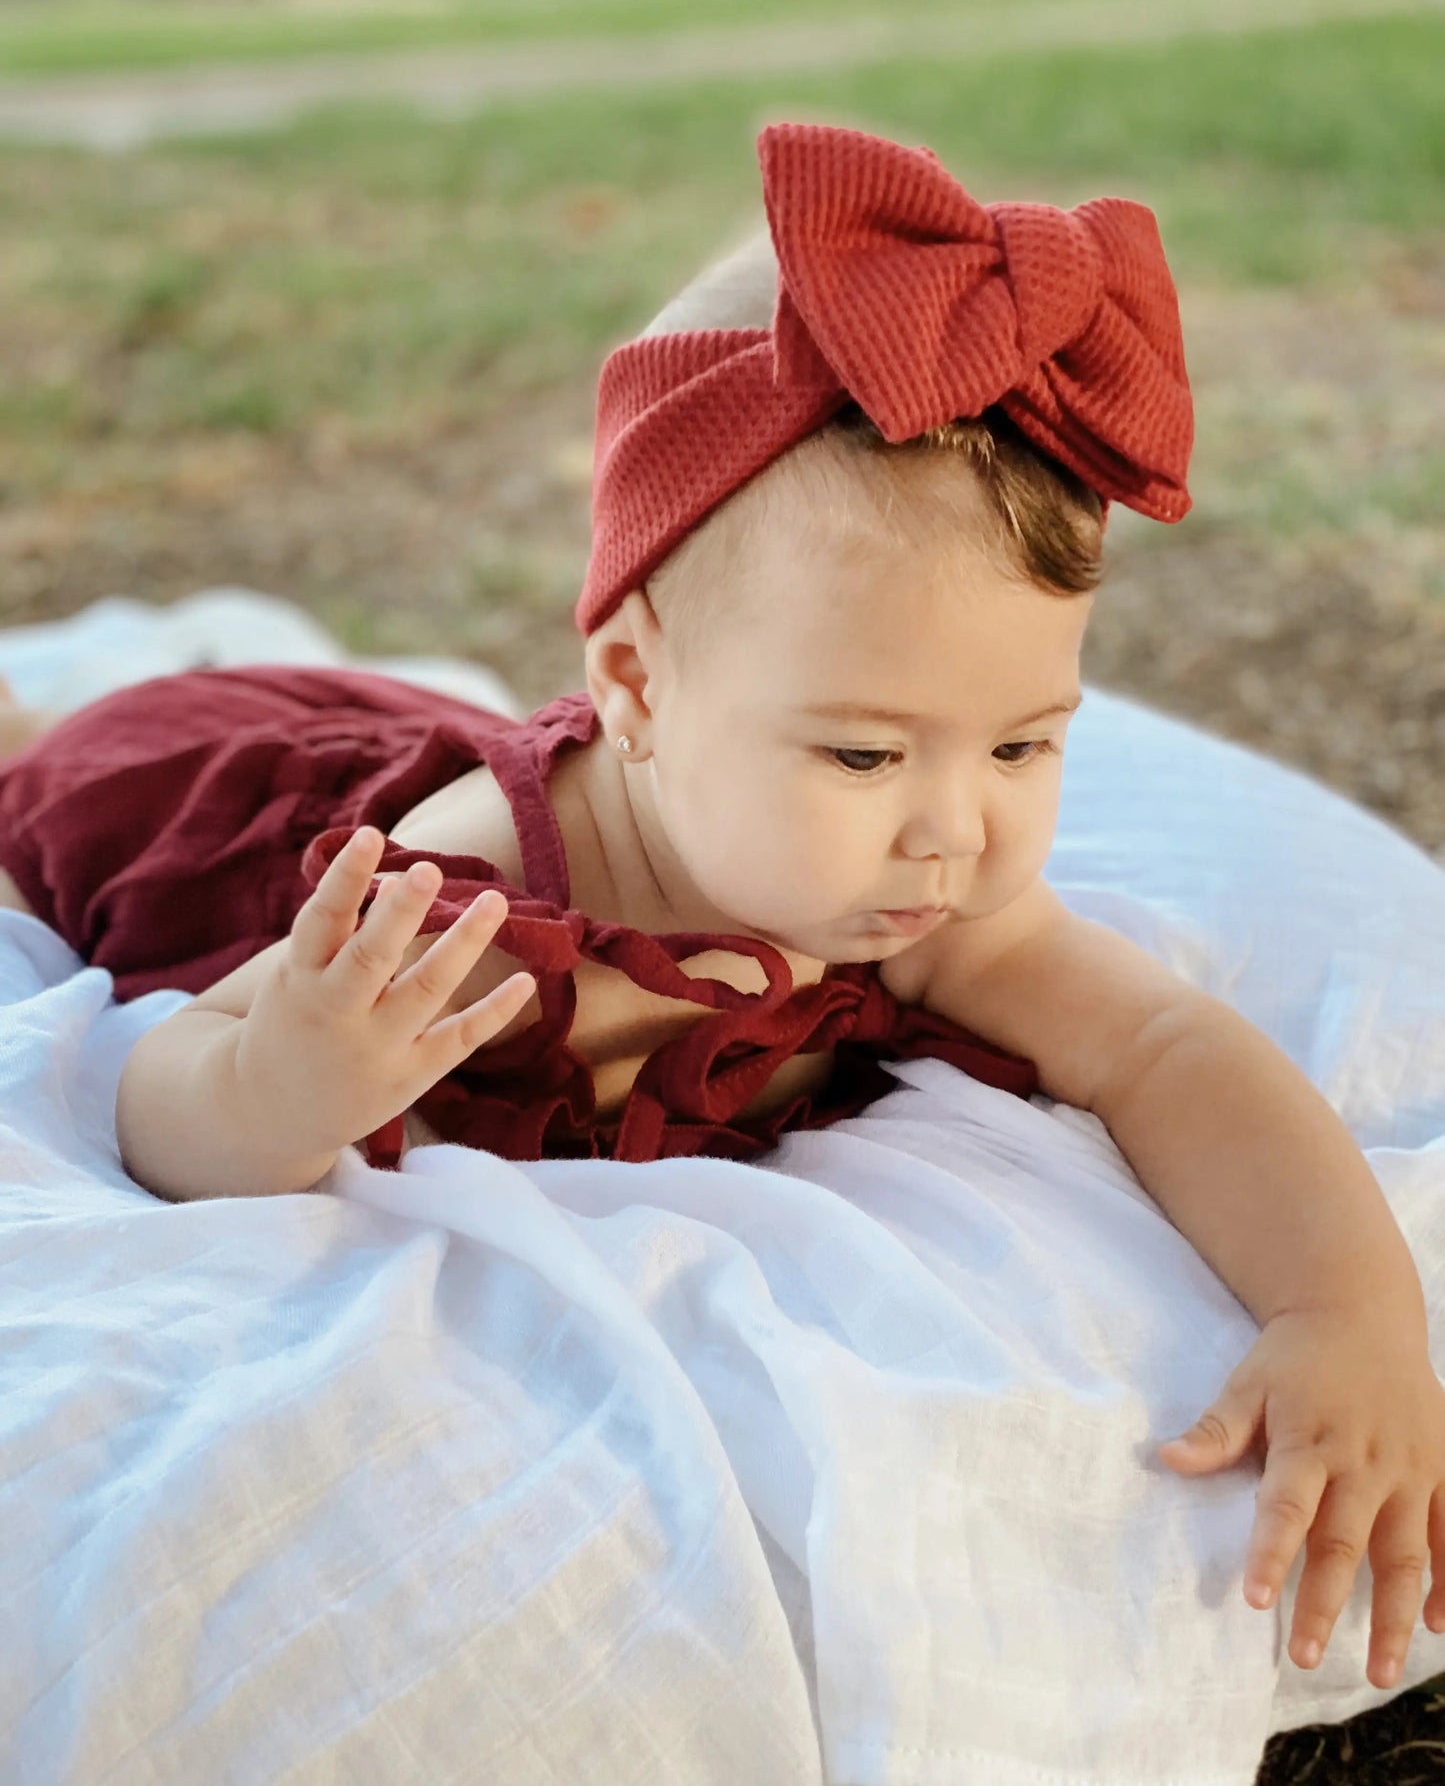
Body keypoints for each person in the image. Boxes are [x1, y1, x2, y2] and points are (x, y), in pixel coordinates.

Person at [0, 123, 1441, 1694]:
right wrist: (281, 1083)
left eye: (1024, 742)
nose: (954, 831)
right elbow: (165, 1099)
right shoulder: (462, 885)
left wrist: (1343, 1310)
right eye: (863, 750)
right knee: (56, 767)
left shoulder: (922, 887)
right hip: (224, 808)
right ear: (631, 683)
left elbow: (1164, 1048)